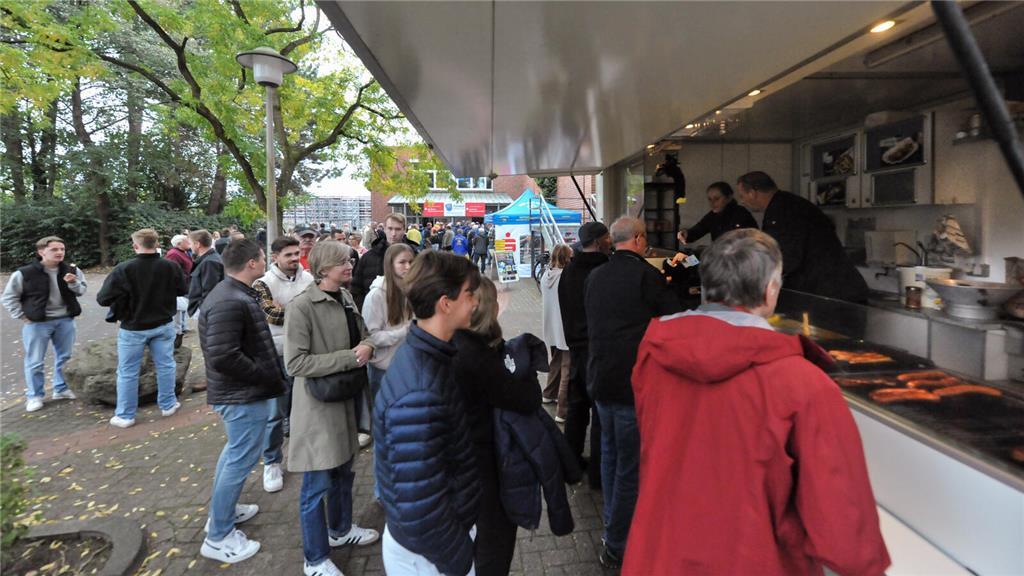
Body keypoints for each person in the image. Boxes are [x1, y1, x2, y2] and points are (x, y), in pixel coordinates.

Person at [623, 229, 890, 575]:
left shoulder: (654, 357)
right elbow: (849, 544)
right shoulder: (805, 384)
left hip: (658, 557)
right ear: (771, 290)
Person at [375, 251, 481, 576]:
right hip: (429, 556)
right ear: (445, 303)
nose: (476, 302)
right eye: (469, 294)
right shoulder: (420, 391)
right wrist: (459, 559)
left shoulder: (430, 355)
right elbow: (418, 509)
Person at [584, 216, 682, 567]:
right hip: (632, 384)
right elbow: (675, 319)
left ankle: (612, 529)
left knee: (611, 458)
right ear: (639, 240)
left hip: (600, 380)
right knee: (628, 466)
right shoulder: (647, 276)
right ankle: (617, 542)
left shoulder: (595, 276)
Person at [285, 241, 380, 576]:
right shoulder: (302, 307)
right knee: (316, 485)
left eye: (349, 259)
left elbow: (365, 337)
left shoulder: (347, 296)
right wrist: (351, 357)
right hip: (318, 407)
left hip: (345, 400)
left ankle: (340, 530)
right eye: (343, 261)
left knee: (344, 472)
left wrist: (367, 345)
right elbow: (295, 363)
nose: (349, 265)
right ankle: (314, 559)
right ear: (324, 268)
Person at [198, 239, 286, 565]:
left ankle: (224, 511)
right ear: (252, 263)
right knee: (239, 461)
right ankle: (218, 536)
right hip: (242, 396)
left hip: (240, 393)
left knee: (233, 456)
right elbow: (223, 355)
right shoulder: (229, 300)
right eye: (263, 258)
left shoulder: (234, 293)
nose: (265, 262)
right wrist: (263, 374)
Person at [451, 277, 542, 575]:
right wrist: (522, 368)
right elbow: (527, 399)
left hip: (466, 464)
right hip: (485, 466)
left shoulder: (455, 342)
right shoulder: (476, 355)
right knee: (494, 545)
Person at [97, 229, 187, 428]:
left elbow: (103, 298)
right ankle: (168, 403)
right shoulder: (170, 266)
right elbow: (183, 289)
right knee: (166, 364)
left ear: (135, 246)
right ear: (156, 244)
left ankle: (126, 415)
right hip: (164, 323)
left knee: (128, 371)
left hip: (133, 327)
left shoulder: (124, 269)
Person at [736, 170, 869, 302]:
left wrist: (753, 281)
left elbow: (785, 256)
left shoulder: (782, 211)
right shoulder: (789, 204)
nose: (741, 201)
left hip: (831, 292)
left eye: (742, 196)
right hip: (835, 287)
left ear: (753, 193)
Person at [252, 236, 314, 493]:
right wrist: (301, 309)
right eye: (288, 254)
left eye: (296, 253)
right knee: (275, 414)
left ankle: (306, 453)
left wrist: (289, 308)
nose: (293, 259)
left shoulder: (308, 279)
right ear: (275, 256)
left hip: (305, 351)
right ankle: (272, 461)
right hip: (276, 353)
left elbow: (316, 310)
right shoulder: (261, 284)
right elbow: (272, 315)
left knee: (306, 406)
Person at [2, 236, 86, 412]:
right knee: (35, 362)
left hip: (65, 320)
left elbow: (82, 290)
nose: (59, 252)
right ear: (41, 252)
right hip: (37, 323)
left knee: (65, 358)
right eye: (54, 249)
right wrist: (22, 316)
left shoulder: (71, 270)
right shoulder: (25, 273)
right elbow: (9, 297)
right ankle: (35, 396)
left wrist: (73, 282)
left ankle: (61, 389)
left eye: (62, 249)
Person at [557, 221, 611, 489]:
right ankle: (599, 473)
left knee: (577, 407)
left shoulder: (569, 270)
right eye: (608, 237)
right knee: (600, 410)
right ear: (600, 241)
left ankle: (570, 462)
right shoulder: (604, 269)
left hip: (575, 347)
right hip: (598, 348)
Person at [361, 243, 415, 451]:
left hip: (407, 365)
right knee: (384, 418)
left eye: (411, 262)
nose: (408, 267)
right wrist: (405, 331)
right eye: (402, 262)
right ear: (390, 265)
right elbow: (370, 337)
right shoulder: (376, 295)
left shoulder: (411, 290)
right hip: (383, 368)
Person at [350, 213, 418, 309]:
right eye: (390, 229)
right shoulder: (368, 257)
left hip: (407, 314)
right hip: (374, 314)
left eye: (398, 229)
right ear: (385, 229)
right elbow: (356, 289)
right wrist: (365, 310)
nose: (393, 234)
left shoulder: (416, 257)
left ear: (404, 230)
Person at [540, 244, 573, 422]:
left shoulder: (546, 275)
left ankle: (548, 393)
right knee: (567, 368)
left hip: (550, 327)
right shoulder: (566, 277)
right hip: (564, 327)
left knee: (555, 361)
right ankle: (562, 409)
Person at [676, 181, 758, 245]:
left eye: (717, 199)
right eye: (710, 199)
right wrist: (686, 234)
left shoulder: (741, 214)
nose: (712, 203)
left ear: (728, 198)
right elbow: (698, 229)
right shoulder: (713, 215)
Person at [187, 229, 224, 317]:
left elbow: (210, 291)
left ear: (197, 244)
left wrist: (202, 309)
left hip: (207, 311)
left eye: (191, 243)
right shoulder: (209, 259)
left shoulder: (210, 262)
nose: (190, 247)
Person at [166, 234, 194, 348]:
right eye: (186, 241)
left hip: (186, 283)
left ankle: (182, 328)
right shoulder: (173, 254)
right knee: (178, 308)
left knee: (183, 307)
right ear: (178, 244)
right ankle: (177, 332)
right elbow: (173, 271)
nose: (189, 242)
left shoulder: (183, 252)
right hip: (178, 286)